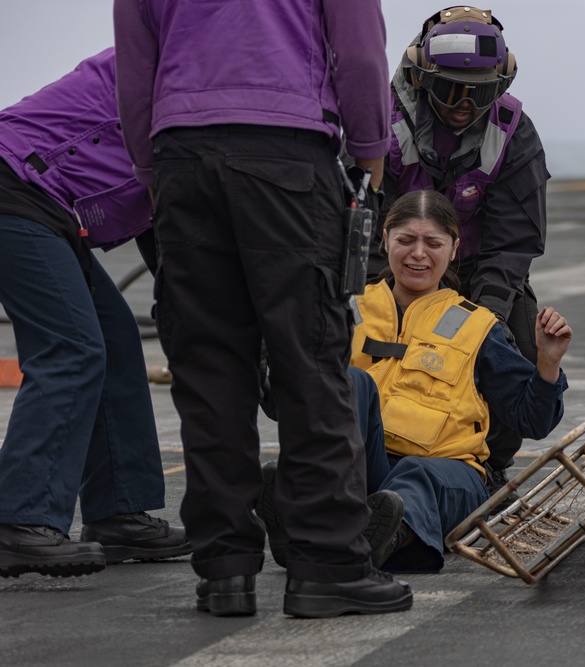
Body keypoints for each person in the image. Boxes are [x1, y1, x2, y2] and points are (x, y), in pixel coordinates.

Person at [113, 0, 412, 618]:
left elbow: (134, 68)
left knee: (208, 372)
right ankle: (328, 564)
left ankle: (224, 570)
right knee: (309, 365)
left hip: (180, 161)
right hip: (284, 155)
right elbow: (358, 51)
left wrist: (154, 171)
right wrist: (369, 161)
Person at [259, 190, 571, 573]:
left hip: (448, 474)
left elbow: (532, 419)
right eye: (405, 240)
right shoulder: (345, 309)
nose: (418, 254)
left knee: (414, 477)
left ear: (454, 249)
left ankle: (331, 528)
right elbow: (283, 404)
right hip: (362, 470)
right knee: (352, 380)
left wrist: (547, 362)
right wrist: (270, 352)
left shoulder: (477, 325)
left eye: (433, 243)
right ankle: (326, 517)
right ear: (384, 239)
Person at [0, 48, 190, 579]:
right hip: (14, 184)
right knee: (73, 348)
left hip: (49, 207)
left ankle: (117, 512)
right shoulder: (176, 66)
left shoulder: (205, 77)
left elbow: (168, 242)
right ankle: (19, 521)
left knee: (115, 339)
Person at [372, 7, 551, 503]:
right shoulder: (379, 123)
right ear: (419, 75)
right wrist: (390, 294)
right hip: (392, 270)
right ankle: (370, 449)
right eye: (451, 89)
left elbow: (514, 240)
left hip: (475, 271)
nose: (464, 105)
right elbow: (359, 222)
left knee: (508, 340)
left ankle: (488, 465)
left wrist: (482, 316)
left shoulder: (514, 132)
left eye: (480, 92)